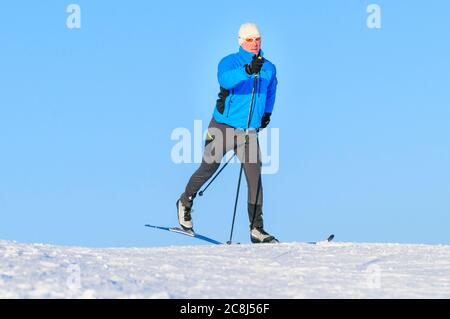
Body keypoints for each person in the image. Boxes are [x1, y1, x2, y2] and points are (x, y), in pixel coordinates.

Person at [176, 23, 278, 243]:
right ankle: (185, 201)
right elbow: (225, 80)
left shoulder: (269, 67)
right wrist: (248, 70)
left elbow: (271, 91)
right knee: (208, 167)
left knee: (255, 177)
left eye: (258, 39)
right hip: (223, 126)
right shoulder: (229, 62)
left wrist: (266, 114)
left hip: (248, 132)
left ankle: (256, 228)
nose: (255, 43)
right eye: (250, 40)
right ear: (241, 41)